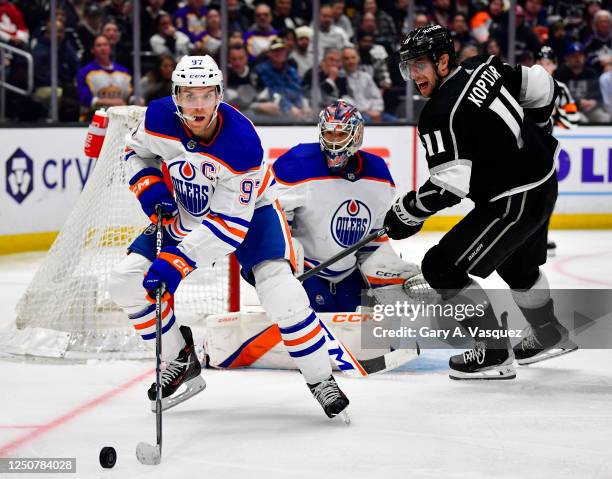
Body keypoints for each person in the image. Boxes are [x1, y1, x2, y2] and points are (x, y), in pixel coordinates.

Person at [108, 55, 348, 419]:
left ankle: (321, 379)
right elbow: (134, 151)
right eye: (189, 95)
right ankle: (178, 357)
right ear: (176, 96)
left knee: (282, 293)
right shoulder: (158, 117)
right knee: (125, 283)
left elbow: (229, 227)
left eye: (206, 95)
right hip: (187, 211)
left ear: (219, 94)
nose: (198, 105)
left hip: (251, 216)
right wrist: (148, 186)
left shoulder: (242, 143)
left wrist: (176, 263)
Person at [384, 25, 577, 380]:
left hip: (511, 201)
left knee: (441, 267)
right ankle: (549, 333)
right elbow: (541, 84)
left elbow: (448, 186)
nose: (414, 75)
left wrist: (406, 212)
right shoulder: (481, 66)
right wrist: (538, 128)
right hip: (543, 181)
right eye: (408, 66)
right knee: (516, 267)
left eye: (420, 65)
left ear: (443, 61)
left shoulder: (441, 113)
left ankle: (493, 354)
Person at [264, 100, 421, 312]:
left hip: (349, 272)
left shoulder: (379, 174)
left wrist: (387, 269)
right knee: (316, 340)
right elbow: (276, 227)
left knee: (375, 340)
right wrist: (284, 270)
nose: (334, 143)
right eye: (329, 134)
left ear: (356, 135)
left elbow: (373, 240)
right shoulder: (298, 165)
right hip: (308, 273)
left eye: (341, 135)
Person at [76, 34, 133, 120]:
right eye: (98, 45)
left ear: (110, 48)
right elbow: (85, 99)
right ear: (92, 50)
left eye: (105, 45)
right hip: (94, 118)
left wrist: (136, 99)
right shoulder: (85, 72)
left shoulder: (124, 71)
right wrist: (112, 102)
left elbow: (131, 95)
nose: (102, 48)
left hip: (122, 118)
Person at [255, 37, 312, 121]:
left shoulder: (291, 70)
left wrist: (303, 105)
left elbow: (297, 90)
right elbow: (273, 92)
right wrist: (290, 107)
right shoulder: (262, 69)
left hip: (296, 111)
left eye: (282, 50)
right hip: (273, 111)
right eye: (276, 50)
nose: (279, 53)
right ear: (269, 53)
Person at [341, 46, 395, 122]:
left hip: (374, 112)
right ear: (342, 61)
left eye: (353, 58)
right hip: (355, 115)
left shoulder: (366, 77)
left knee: (395, 121)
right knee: (364, 120)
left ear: (358, 58)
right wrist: (365, 111)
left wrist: (377, 111)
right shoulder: (340, 78)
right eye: (347, 58)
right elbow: (345, 102)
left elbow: (377, 97)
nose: (351, 61)